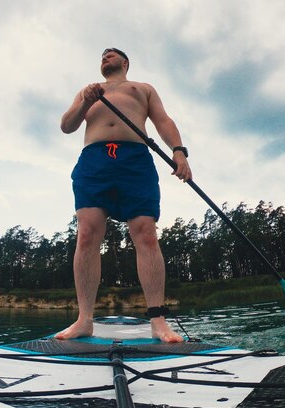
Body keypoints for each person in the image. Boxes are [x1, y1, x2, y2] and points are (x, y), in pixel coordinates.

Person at [57, 48, 192, 343]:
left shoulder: (142, 89)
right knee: (87, 235)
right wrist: (84, 102)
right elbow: (67, 126)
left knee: (146, 234)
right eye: (102, 55)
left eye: (111, 54)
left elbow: (163, 121)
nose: (104, 57)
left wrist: (179, 152)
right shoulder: (89, 91)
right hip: (94, 161)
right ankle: (84, 320)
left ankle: (157, 320)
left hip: (135, 161)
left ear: (125, 62)